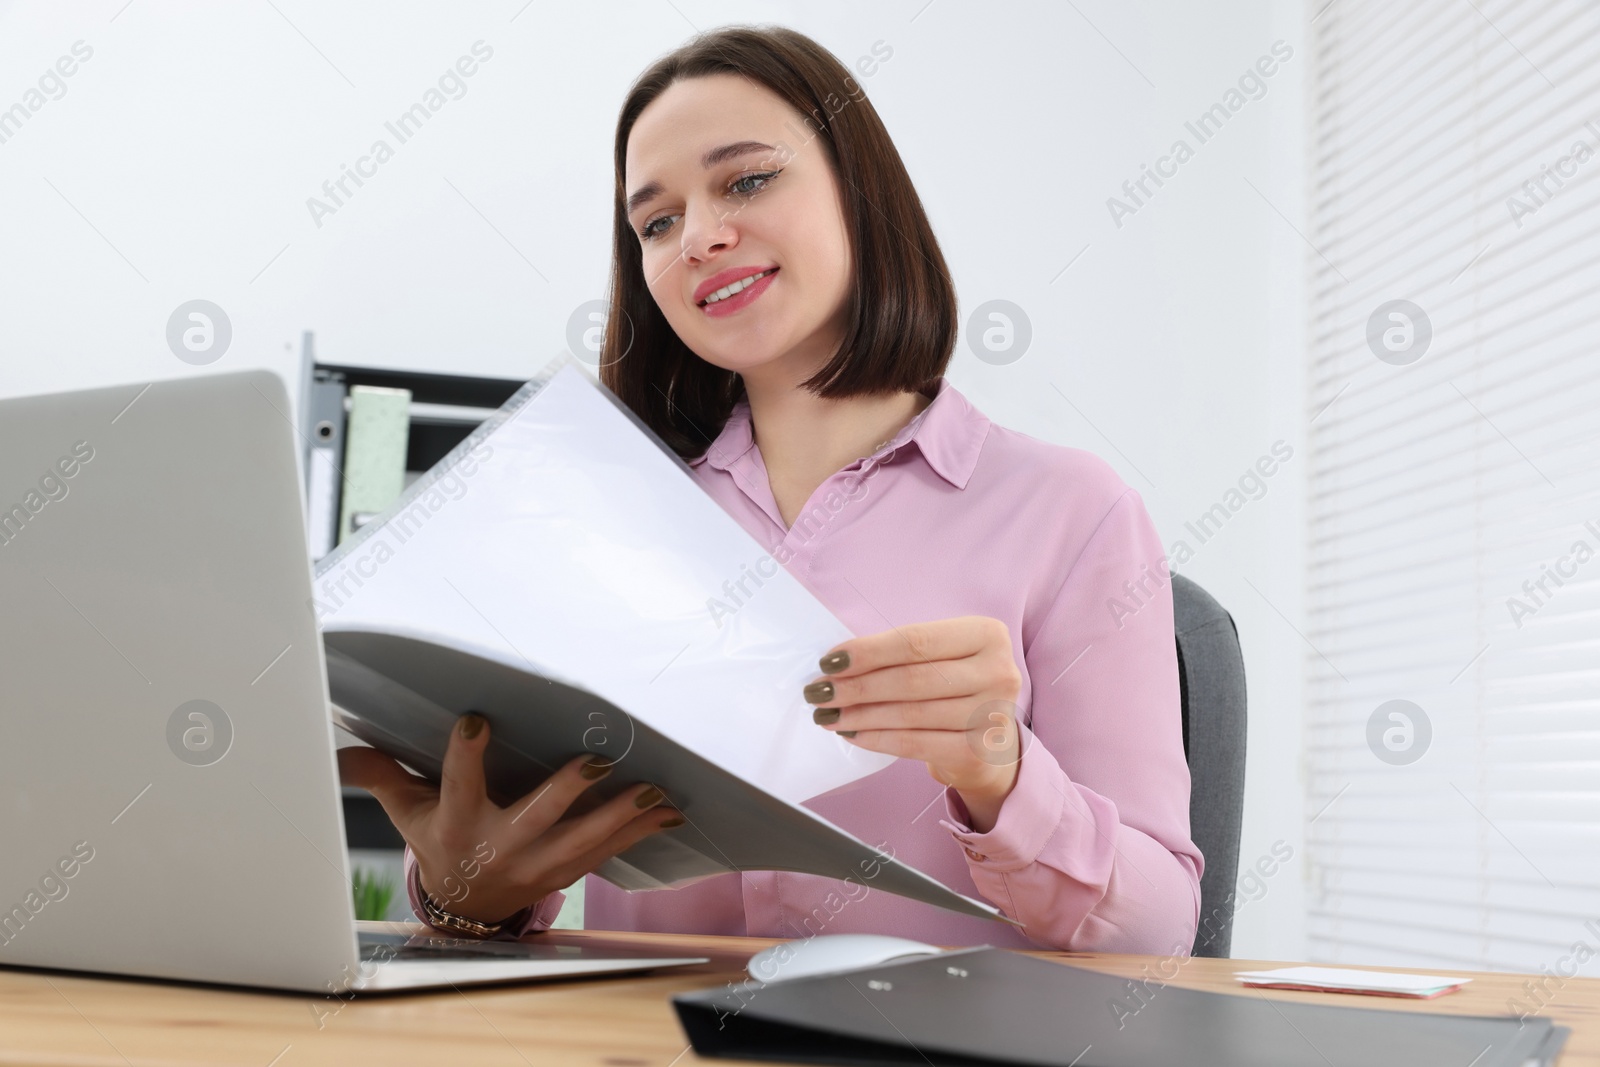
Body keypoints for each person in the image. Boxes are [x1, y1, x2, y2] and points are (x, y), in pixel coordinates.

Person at [339, 24, 1202, 954]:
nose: (700, 238)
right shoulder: (601, 525)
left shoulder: (1073, 512)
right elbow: (499, 890)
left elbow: (1158, 933)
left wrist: (1002, 771)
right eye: (656, 222)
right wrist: (471, 891)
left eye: (747, 180)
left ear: (858, 193)